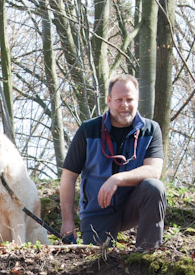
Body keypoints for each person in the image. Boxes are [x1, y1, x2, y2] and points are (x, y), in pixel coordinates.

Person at [59, 74, 167, 250]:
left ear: (137, 100)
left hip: (132, 205)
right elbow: (68, 177)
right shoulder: (88, 130)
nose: (125, 105)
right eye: (119, 100)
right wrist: (67, 222)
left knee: (154, 187)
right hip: (97, 211)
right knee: (98, 262)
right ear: (109, 101)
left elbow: (154, 170)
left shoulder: (151, 129)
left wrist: (117, 179)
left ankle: (147, 255)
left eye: (129, 99)